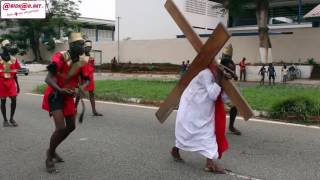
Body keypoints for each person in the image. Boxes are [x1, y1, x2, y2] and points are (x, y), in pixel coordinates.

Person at [171, 55, 236, 174]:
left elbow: (224, 98)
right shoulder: (207, 74)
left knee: (208, 135)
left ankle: (209, 164)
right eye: (229, 70)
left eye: (233, 71)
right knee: (186, 134)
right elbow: (212, 94)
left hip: (204, 112)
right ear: (221, 68)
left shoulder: (220, 78)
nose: (231, 73)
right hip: (191, 109)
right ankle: (176, 149)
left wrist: (227, 84)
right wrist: (220, 79)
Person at [42, 32, 90, 173]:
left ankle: (52, 149)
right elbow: (48, 79)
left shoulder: (82, 60)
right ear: (73, 45)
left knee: (71, 127)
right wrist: (61, 90)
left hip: (67, 95)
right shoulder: (61, 56)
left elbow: (86, 78)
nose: (83, 46)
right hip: (55, 94)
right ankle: (49, 156)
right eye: (81, 44)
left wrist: (82, 87)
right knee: (61, 127)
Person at [75, 40, 102, 116]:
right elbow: (79, 69)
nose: (89, 49)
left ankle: (94, 111)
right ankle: (74, 108)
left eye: (90, 47)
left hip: (90, 78)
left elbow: (92, 68)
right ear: (84, 48)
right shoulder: (81, 58)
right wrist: (80, 80)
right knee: (79, 94)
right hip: (83, 78)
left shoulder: (91, 58)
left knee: (91, 94)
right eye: (87, 47)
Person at [220, 44, 241, 135]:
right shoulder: (219, 62)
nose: (226, 57)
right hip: (217, 88)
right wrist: (223, 72)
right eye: (225, 56)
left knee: (234, 106)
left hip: (227, 89)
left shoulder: (232, 64)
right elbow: (218, 71)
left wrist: (234, 76)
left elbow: (233, 76)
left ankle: (231, 126)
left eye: (228, 56)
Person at [0, 39, 20, 127]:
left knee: (14, 99)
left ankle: (12, 118)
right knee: (3, 101)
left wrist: (18, 85)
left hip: (11, 81)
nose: (9, 46)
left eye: (9, 45)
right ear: (3, 47)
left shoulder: (13, 59)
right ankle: (5, 120)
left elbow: (15, 73)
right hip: (1, 81)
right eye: (7, 45)